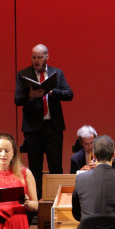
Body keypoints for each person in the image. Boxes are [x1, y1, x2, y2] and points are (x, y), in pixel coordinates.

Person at [14, 44, 74, 200]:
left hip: (53, 127)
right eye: (33, 57)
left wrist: (52, 91)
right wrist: (31, 96)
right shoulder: (23, 74)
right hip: (33, 129)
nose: (36, 60)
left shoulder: (56, 73)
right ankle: (36, 203)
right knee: (35, 168)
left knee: (56, 166)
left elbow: (69, 94)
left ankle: (56, 201)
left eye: (39, 57)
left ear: (47, 56)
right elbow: (17, 99)